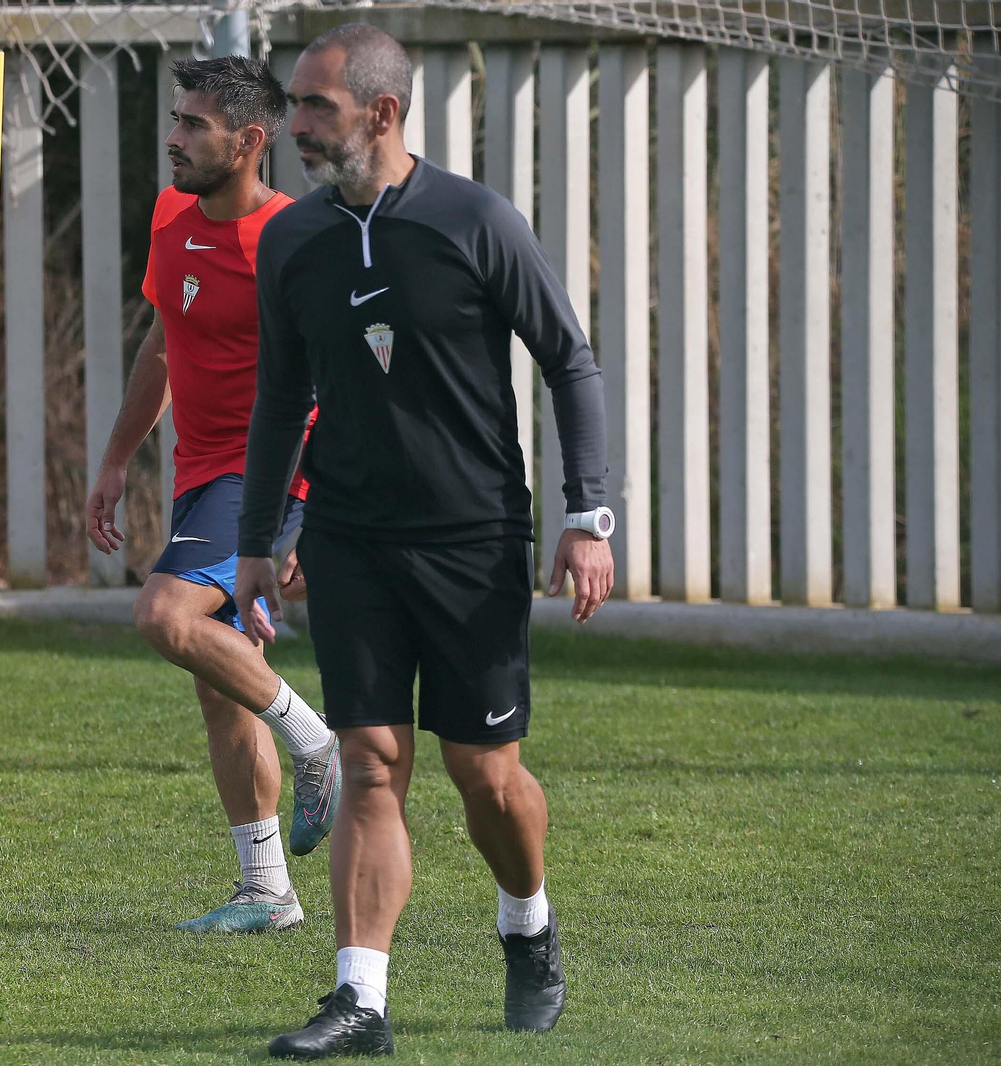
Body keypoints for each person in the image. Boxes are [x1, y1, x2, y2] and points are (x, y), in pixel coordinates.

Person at [232, 24, 616, 1058]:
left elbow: (568, 363)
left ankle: (527, 924)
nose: (293, 127)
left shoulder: (475, 221)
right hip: (351, 536)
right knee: (369, 762)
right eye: (292, 107)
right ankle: (360, 999)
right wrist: (259, 539)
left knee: (483, 775)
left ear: (383, 113)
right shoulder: (289, 240)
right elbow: (279, 398)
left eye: (315, 108)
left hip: (473, 537)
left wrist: (588, 515)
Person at [85, 54, 342, 935]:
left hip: (269, 477)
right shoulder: (169, 218)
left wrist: (306, 509)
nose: (175, 138)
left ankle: (320, 748)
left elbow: (340, 383)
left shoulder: (297, 238)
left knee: (165, 619)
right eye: (177, 120)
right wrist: (120, 457)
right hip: (200, 477)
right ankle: (267, 891)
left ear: (250, 141)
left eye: (194, 125)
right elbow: (163, 345)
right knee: (217, 680)